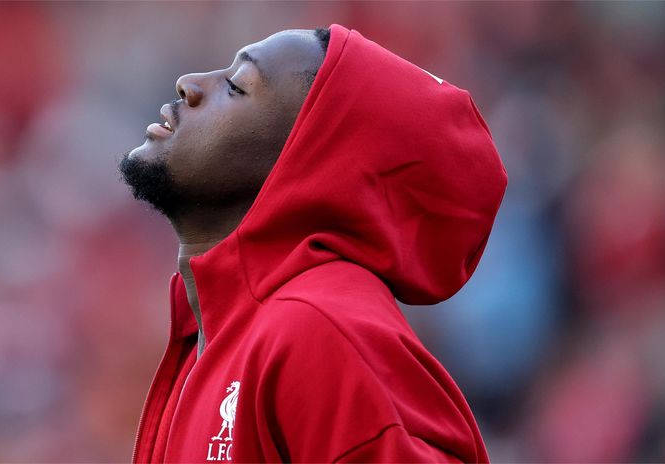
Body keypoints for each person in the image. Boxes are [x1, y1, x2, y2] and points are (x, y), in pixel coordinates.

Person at [120, 24, 506, 463]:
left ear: (305, 160)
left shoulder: (320, 330)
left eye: (236, 86)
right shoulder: (226, 333)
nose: (189, 85)